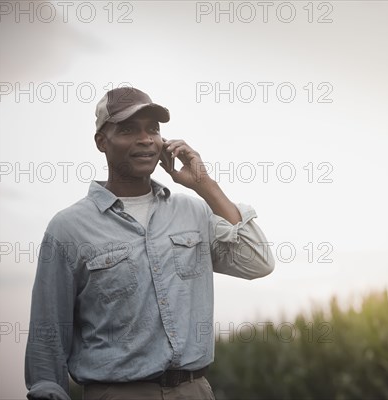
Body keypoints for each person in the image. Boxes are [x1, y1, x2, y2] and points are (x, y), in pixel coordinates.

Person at [24, 87, 275, 400]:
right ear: (102, 142)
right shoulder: (68, 229)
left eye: (153, 129)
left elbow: (258, 262)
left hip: (195, 391)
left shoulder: (193, 211)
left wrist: (205, 185)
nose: (145, 139)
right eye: (128, 130)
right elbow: (48, 334)